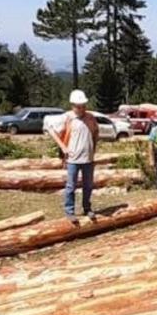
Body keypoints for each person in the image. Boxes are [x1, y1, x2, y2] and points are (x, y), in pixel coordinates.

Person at [48, 90, 100, 223]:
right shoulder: (67, 117)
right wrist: (63, 147)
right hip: (73, 159)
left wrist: (93, 149)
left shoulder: (90, 117)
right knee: (71, 186)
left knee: (88, 185)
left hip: (88, 159)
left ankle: (87, 208)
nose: (81, 108)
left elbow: (95, 133)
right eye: (79, 106)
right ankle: (69, 211)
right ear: (73, 106)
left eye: (83, 105)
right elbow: (50, 129)